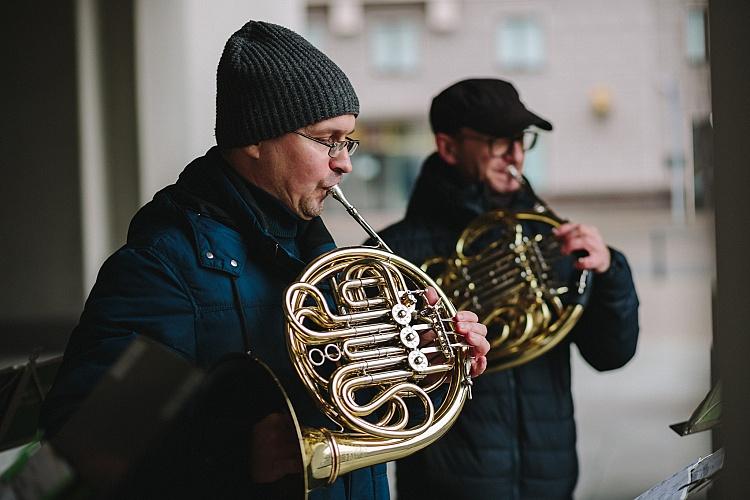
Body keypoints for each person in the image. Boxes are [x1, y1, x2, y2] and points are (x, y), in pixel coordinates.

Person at [39, 23, 489, 499]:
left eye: (347, 141)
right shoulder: (163, 267)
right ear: (256, 138)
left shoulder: (322, 255)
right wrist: (236, 453)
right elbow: (84, 443)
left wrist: (426, 360)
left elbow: (365, 409)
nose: (345, 163)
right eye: (327, 139)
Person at [374, 78, 640, 499]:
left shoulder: (549, 241)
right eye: (497, 141)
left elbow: (611, 354)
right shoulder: (390, 254)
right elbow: (380, 393)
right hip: (444, 486)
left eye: (520, 139)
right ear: (448, 147)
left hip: (549, 481)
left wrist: (609, 273)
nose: (515, 154)